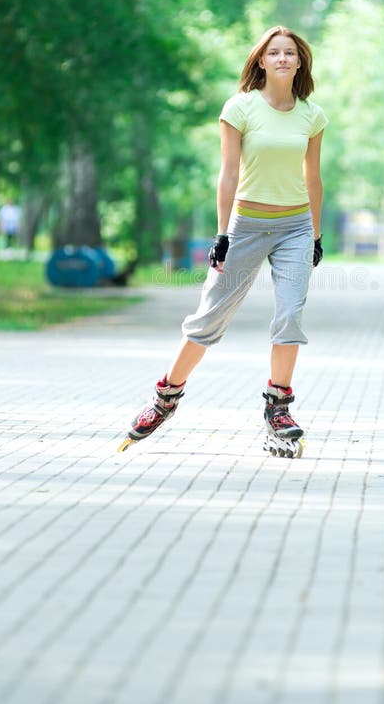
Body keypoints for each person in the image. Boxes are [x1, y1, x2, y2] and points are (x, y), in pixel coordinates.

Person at [118, 26, 328, 458]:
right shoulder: (240, 108)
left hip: (294, 227)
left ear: (300, 62)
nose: (283, 58)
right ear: (261, 61)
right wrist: (222, 233)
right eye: (275, 52)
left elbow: (313, 177)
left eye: (290, 53)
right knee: (209, 318)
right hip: (246, 224)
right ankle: (165, 398)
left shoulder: (312, 115)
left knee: (290, 315)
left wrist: (316, 234)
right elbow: (229, 172)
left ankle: (278, 408)